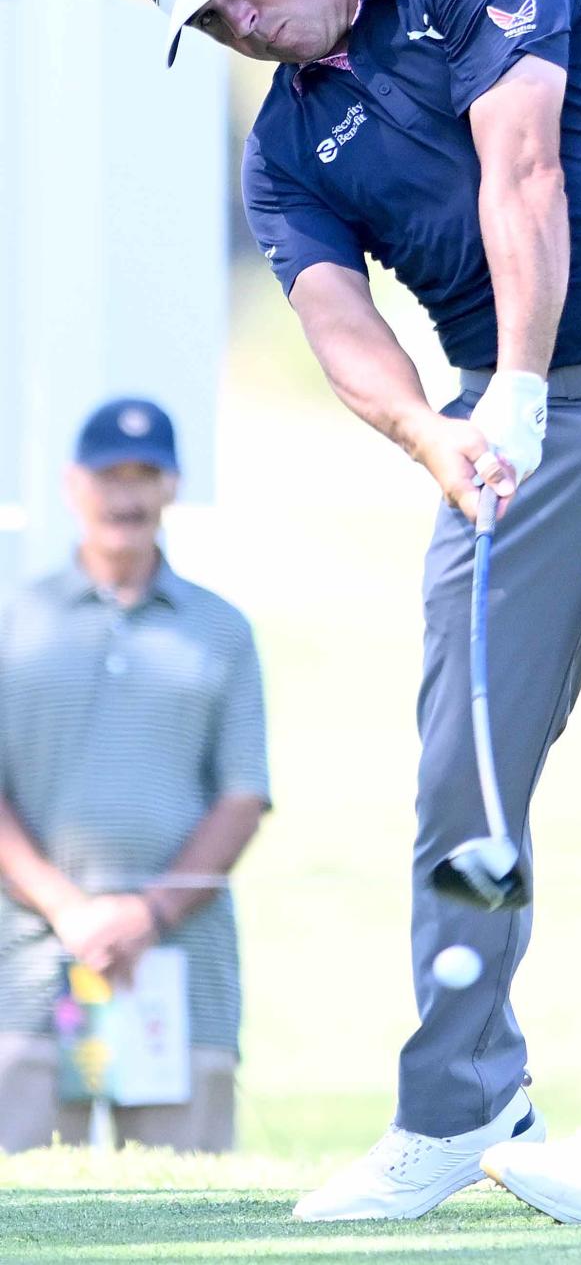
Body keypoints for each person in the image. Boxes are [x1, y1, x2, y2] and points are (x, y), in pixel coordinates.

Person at [124, 0, 581, 1222]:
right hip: (502, 431)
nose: (240, 20)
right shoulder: (281, 153)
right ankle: (459, 1099)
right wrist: (437, 435)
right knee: (459, 776)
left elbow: (523, 163)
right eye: (209, 22)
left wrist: (523, 389)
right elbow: (334, 321)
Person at [0, 398, 270, 1152]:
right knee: (21, 1214)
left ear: (173, 486)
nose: (126, 494)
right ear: (71, 484)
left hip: (181, 968)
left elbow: (243, 795)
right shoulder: (13, 620)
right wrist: (70, 910)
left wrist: (144, 916)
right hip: (24, 966)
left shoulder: (221, 628)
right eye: (108, 475)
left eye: (145, 474)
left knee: (184, 1212)